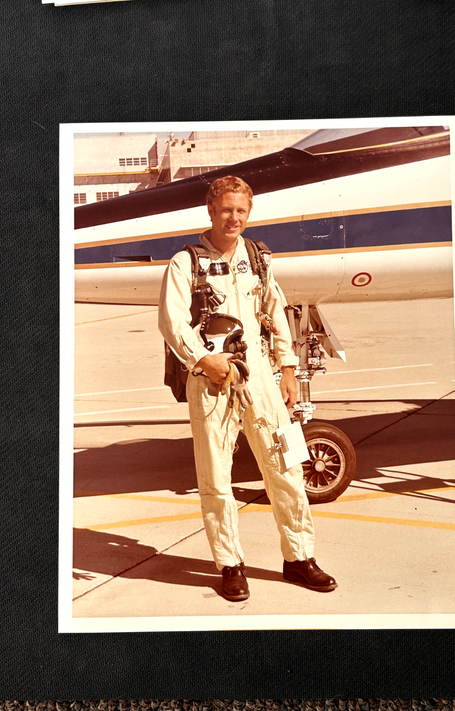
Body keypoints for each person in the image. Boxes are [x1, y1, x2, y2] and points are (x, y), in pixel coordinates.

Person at [158, 176, 337, 601]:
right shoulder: (187, 263)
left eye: (241, 210)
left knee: (287, 468)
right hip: (212, 380)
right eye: (226, 209)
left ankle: (299, 559)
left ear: (249, 213)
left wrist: (288, 368)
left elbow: (275, 310)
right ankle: (231, 566)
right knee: (217, 477)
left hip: (260, 377)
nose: (233, 218)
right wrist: (204, 359)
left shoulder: (258, 258)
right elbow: (171, 321)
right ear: (210, 210)